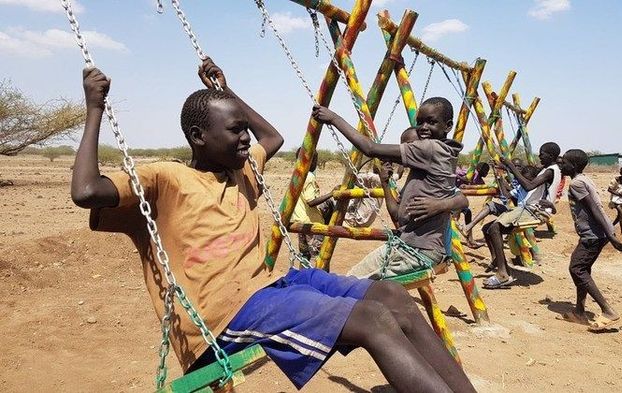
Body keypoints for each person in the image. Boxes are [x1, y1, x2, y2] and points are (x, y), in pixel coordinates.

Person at [72, 60, 475, 392]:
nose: (247, 138)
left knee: (391, 295)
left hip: (269, 290)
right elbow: (87, 190)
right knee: (373, 319)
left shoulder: (242, 169)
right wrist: (95, 110)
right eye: (234, 130)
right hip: (222, 321)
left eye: (243, 130)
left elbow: (274, 136)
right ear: (198, 136)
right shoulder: (165, 180)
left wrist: (229, 95)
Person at [312, 98, 469, 280]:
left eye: (431, 122)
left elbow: (370, 148)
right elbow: (397, 215)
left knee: (355, 285)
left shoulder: (430, 148)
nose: (424, 127)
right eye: (420, 122)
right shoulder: (430, 167)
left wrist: (333, 118)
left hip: (419, 251)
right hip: (406, 245)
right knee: (351, 278)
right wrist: (385, 183)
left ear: (448, 126)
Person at [557, 149, 622, 331]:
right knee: (582, 269)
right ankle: (579, 312)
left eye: (564, 162)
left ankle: (608, 311)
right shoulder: (584, 179)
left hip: (593, 235)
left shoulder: (576, 184)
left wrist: (612, 237)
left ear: (572, 165)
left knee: (576, 269)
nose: (561, 164)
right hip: (597, 233)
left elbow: (595, 210)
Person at [481, 143, 562, 289]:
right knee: (487, 228)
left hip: (534, 211)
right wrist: (503, 166)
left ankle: (503, 274)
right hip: (528, 209)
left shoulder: (551, 171)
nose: (539, 155)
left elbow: (529, 185)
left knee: (494, 228)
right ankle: (500, 263)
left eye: (542, 153)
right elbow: (525, 171)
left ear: (551, 155)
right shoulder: (546, 169)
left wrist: (510, 165)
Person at [290, 148, 335, 262]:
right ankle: (319, 279)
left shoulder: (296, 175)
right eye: (315, 160)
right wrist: (331, 193)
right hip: (312, 224)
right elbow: (311, 202)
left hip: (299, 221)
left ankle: (303, 278)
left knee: (304, 256)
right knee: (319, 258)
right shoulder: (309, 176)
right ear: (312, 161)